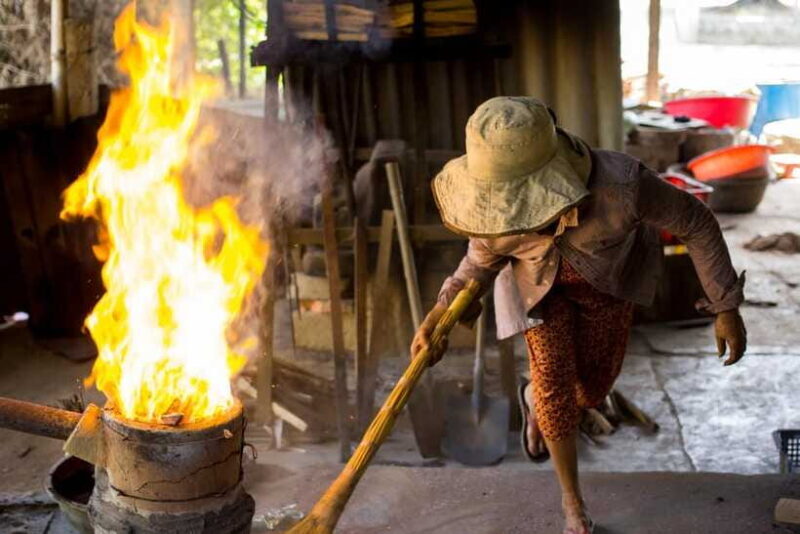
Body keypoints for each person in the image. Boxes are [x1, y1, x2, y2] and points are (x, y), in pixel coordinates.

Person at [411, 97, 747, 534]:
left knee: (590, 389)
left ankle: (539, 398)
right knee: (555, 389)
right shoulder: (490, 206)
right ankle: (573, 503)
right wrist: (442, 308)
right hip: (538, 296)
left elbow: (697, 223)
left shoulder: (623, 185)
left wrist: (726, 308)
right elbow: (477, 263)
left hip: (608, 288)